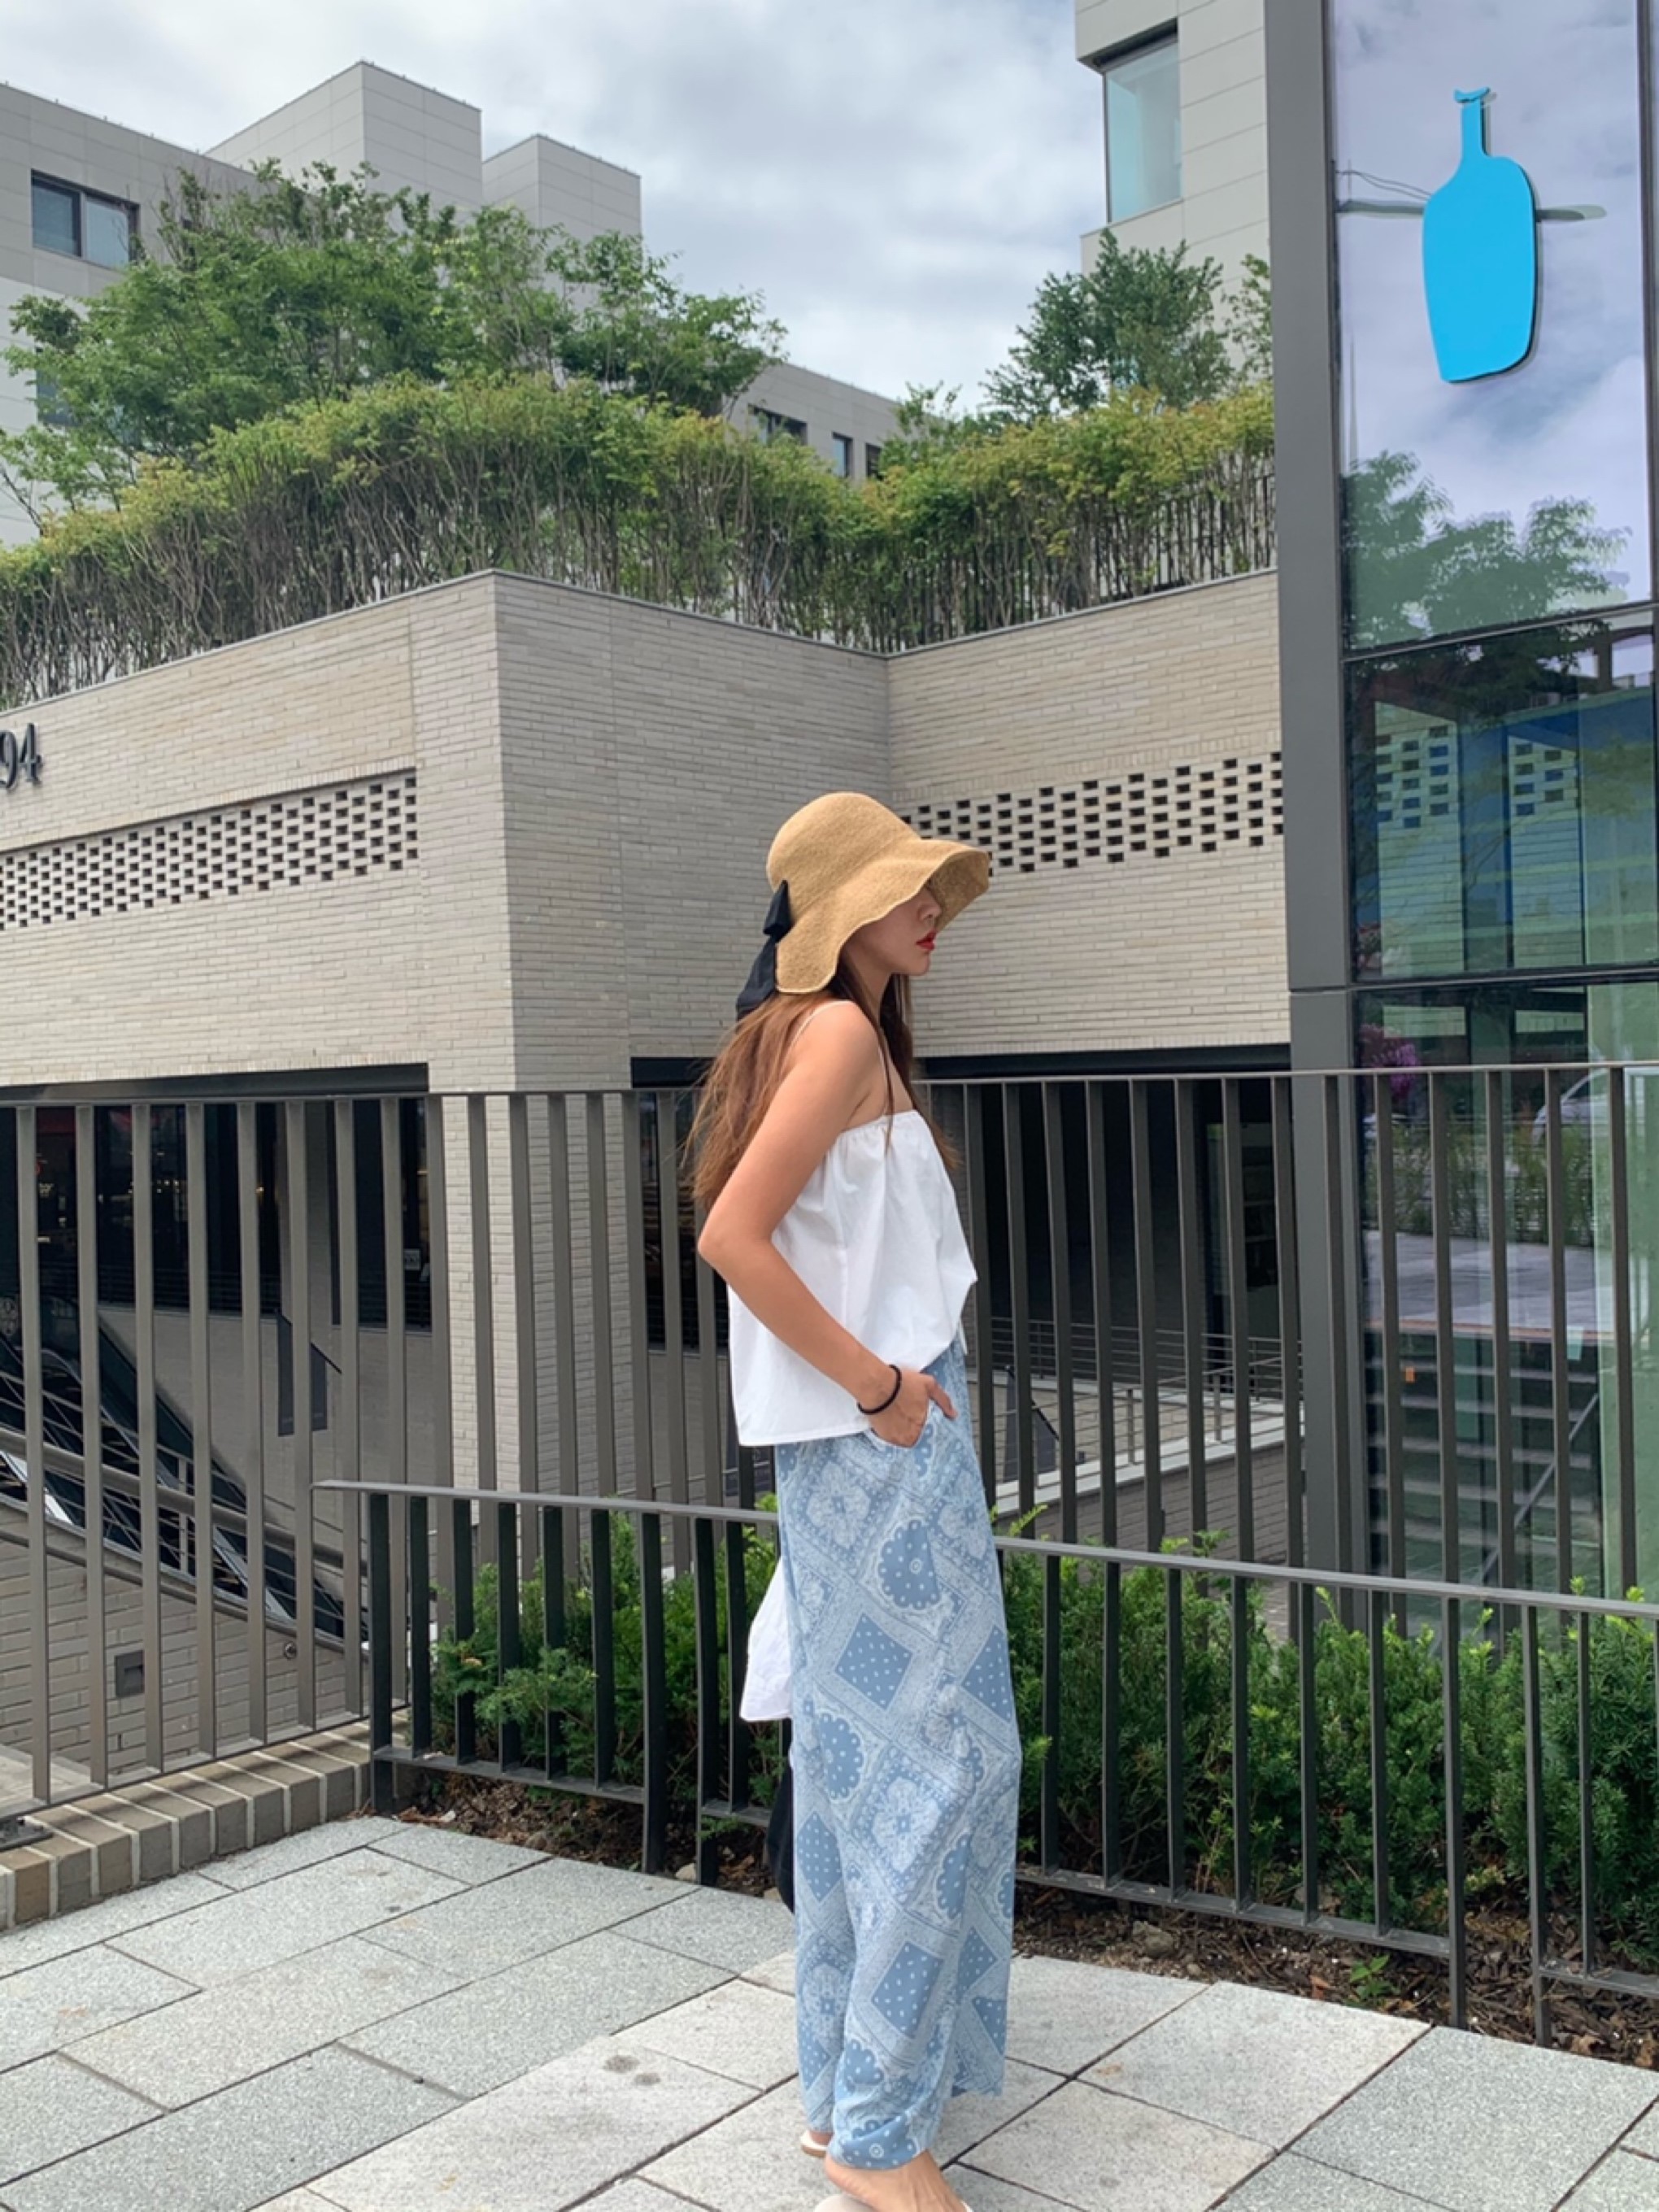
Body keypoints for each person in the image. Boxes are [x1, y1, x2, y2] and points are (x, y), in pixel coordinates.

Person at [695, 791, 1021, 2212]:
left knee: (857, 1777)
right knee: (946, 1771)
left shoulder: (831, 1034)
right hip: (884, 1441)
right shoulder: (833, 1035)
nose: (932, 907)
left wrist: (881, 1396)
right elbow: (732, 1235)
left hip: (862, 1447)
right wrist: (882, 1387)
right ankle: (882, 2136)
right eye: (905, 888)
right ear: (840, 914)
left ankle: (844, 2100)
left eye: (933, 884)